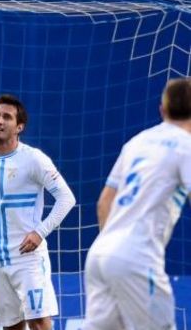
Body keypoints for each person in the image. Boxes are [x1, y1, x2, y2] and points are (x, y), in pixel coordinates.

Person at [0, 94, 76, 330]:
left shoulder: (34, 159)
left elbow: (67, 198)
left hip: (27, 259)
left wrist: (40, 232)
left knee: (40, 324)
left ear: (19, 127)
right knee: (11, 327)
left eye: (7, 117)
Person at [83, 77, 191, 330]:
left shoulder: (137, 142)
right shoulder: (186, 146)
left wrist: (114, 254)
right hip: (137, 259)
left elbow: (104, 203)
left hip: (100, 254)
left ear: (162, 109)